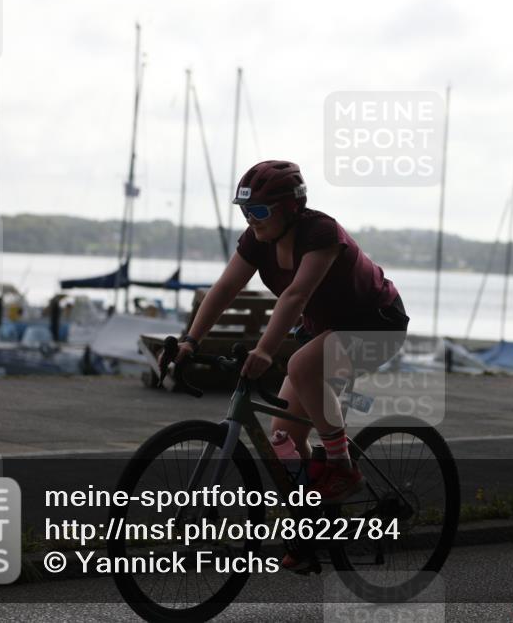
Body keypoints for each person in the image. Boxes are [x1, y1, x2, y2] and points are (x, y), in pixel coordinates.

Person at [174, 160, 409, 570]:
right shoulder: (256, 241)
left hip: (377, 325)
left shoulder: (321, 234)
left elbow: (296, 295)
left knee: (300, 366)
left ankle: (341, 467)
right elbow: (225, 288)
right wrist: (189, 341)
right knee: (283, 435)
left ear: (290, 207)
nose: (251, 219)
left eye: (259, 211)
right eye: (245, 211)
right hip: (326, 331)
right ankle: (313, 529)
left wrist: (266, 350)